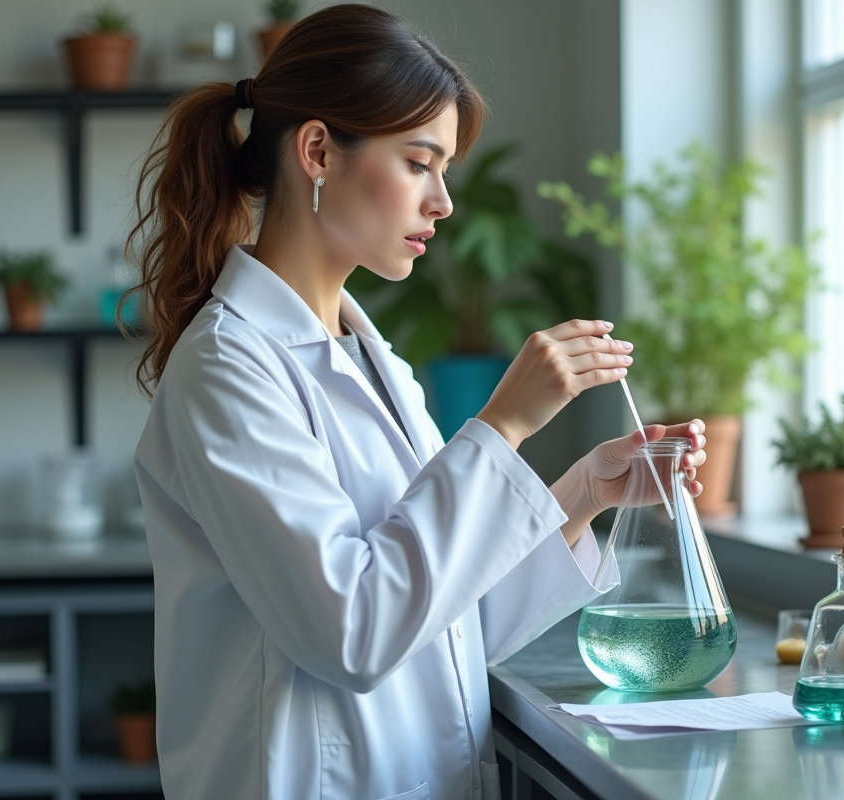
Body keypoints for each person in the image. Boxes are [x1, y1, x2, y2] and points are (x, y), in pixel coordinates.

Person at [129, 5, 706, 799]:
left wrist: (585, 494)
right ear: (319, 151)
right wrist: (502, 425)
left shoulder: (374, 360)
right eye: (418, 162)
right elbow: (353, 634)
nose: (443, 202)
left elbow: (448, 623)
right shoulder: (229, 367)